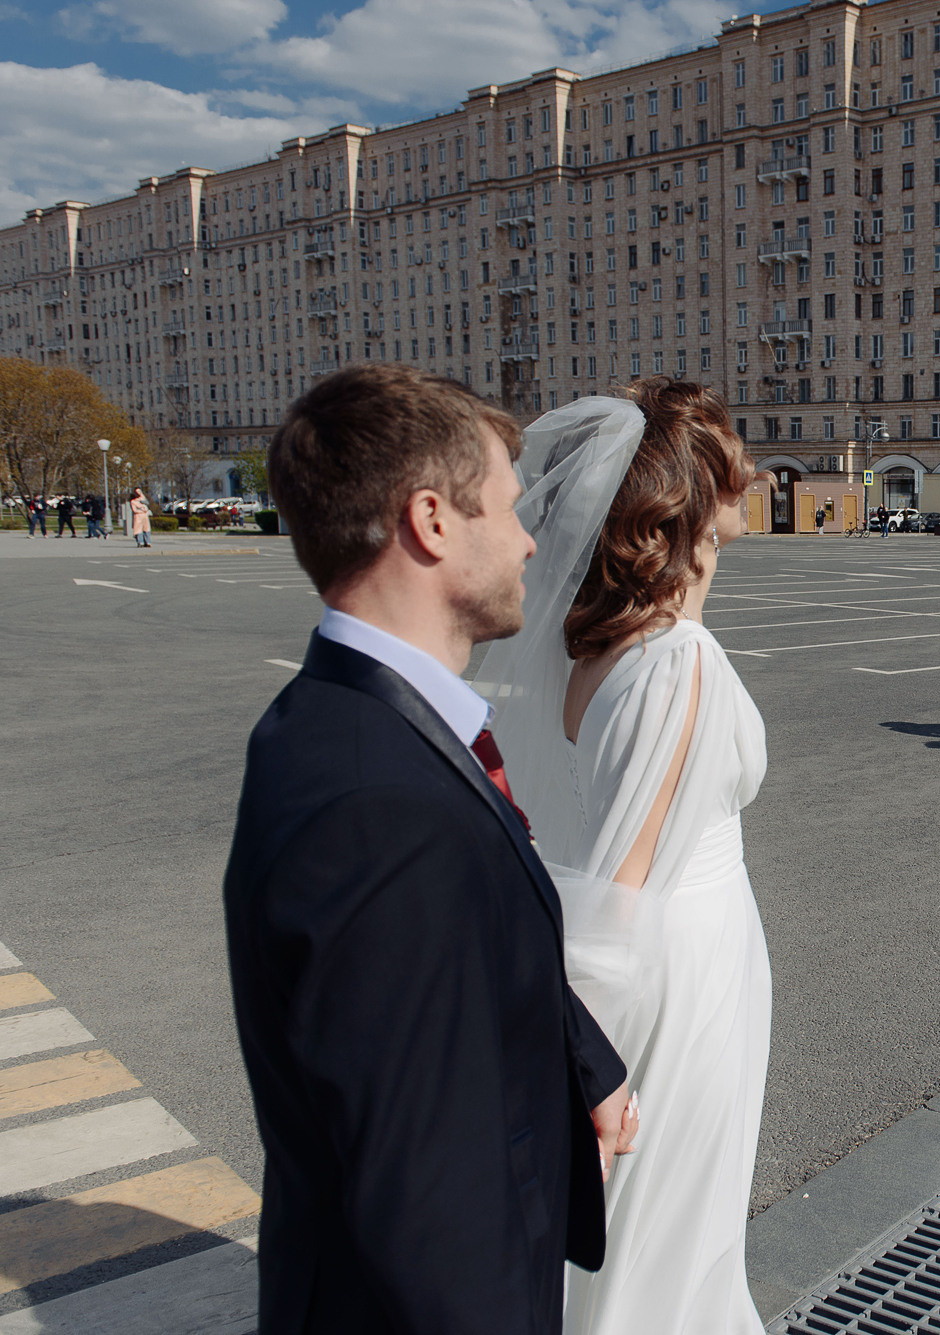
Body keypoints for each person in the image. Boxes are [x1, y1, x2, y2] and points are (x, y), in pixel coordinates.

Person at [224, 364, 634, 1335]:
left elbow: (458, 955)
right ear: (432, 522)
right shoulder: (380, 808)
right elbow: (424, 1195)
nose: (532, 537)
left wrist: (586, 1060)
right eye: (506, 505)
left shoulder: (341, 716)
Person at [482, 382, 774, 1334]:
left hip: (679, 950)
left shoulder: (597, 648)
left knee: (653, 1225)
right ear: (693, 498)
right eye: (734, 464)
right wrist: (584, 1061)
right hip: (683, 971)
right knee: (676, 1229)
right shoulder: (677, 659)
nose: (756, 477)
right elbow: (629, 877)